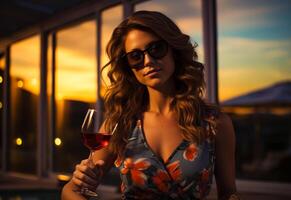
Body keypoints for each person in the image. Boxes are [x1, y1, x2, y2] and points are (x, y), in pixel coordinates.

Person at [62, 10, 239, 200]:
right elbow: (69, 191)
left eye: (156, 49)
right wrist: (82, 178)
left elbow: (229, 193)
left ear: (174, 50)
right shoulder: (121, 124)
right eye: (136, 56)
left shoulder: (215, 123)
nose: (148, 61)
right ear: (129, 67)